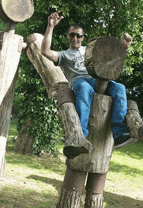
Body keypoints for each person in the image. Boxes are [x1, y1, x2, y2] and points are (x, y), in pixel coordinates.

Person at [41, 11, 132, 147]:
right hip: (80, 82)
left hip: (99, 79)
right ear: (67, 36)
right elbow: (45, 51)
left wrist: (123, 47)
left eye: (79, 35)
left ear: (83, 37)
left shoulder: (90, 50)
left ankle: (118, 134)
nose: (75, 38)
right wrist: (51, 26)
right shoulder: (64, 55)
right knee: (84, 88)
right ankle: (79, 134)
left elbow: (112, 58)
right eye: (72, 35)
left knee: (120, 88)